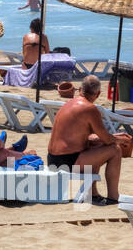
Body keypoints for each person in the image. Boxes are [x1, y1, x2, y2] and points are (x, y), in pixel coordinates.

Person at [47, 75, 121, 205]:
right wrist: (120, 140)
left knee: (96, 146)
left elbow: (88, 136)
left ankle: (93, 193)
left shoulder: (68, 104)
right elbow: (108, 140)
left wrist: (103, 140)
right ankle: (113, 197)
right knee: (115, 150)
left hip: (52, 159)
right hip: (67, 162)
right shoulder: (90, 109)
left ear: (80, 89)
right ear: (98, 94)